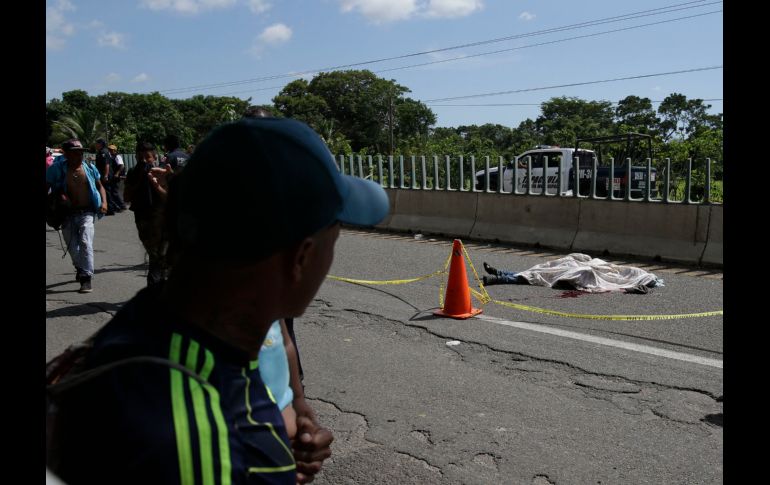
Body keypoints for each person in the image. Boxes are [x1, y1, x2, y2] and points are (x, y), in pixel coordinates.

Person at [50, 117, 390, 484]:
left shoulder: (147, 324)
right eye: (333, 240)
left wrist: (292, 412)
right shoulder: (232, 449)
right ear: (301, 258)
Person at [45, 139, 108, 293]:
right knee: (73, 247)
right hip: (66, 215)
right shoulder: (56, 169)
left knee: (86, 242)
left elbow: (100, 186)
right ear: (66, 154)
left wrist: (104, 202)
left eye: (80, 152)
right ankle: (80, 268)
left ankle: (86, 278)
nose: (79, 155)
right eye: (74, 152)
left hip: (87, 212)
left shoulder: (90, 168)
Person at [123, 141, 172, 288]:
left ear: (155, 157)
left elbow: (169, 198)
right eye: (141, 158)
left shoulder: (162, 171)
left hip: (163, 218)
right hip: (144, 219)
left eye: (148, 158)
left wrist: (156, 184)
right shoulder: (133, 173)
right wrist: (140, 178)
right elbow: (126, 197)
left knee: (162, 255)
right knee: (156, 255)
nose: (144, 161)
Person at [93, 138, 116, 215]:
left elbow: (107, 164)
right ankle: (107, 208)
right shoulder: (101, 152)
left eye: (97, 143)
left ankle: (110, 210)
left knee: (107, 192)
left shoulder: (104, 152)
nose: (95, 145)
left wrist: (106, 175)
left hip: (106, 174)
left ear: (100, 144)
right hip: (102, 174)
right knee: (105, 191)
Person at [106, 144, 128, 212]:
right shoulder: (111, 156)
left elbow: (121, 166)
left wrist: (117, 173)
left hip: (116, 176)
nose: (110, 151)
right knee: (112, 191)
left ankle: (122, 206)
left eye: (111, 150)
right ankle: (117, 206)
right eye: (109, 149)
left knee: (114, 192)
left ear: (115, 151)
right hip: (113, 176)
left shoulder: (117, 156)